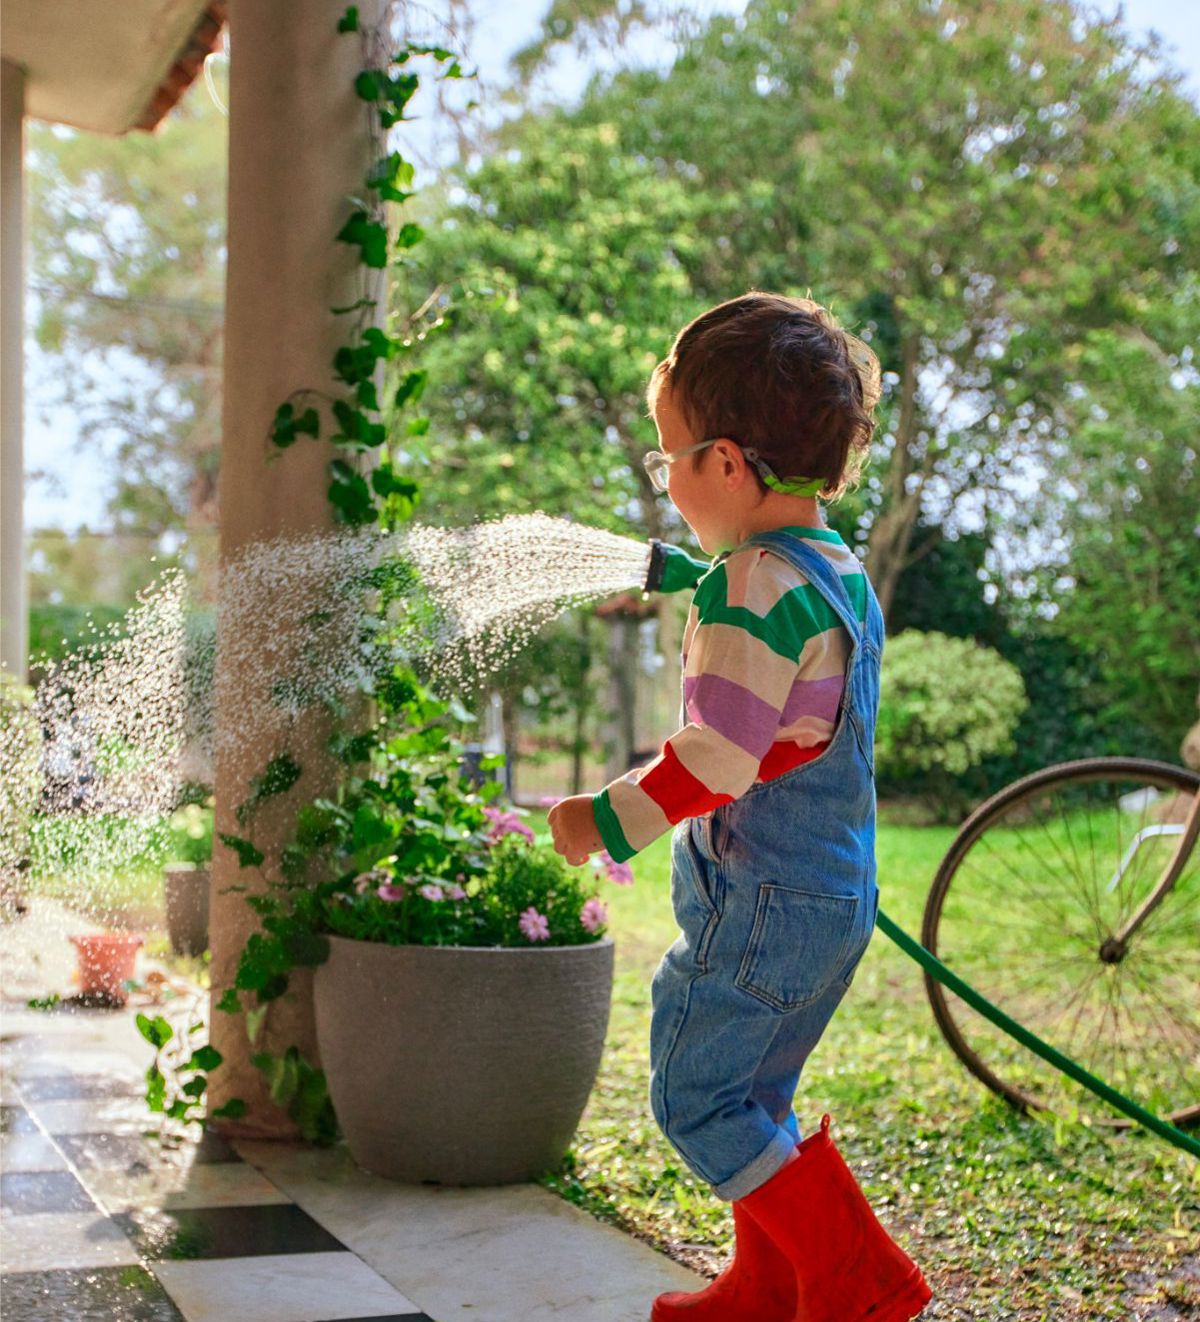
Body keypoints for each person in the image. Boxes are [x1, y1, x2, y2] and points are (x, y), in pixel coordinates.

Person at [548, 291, 932, 1321]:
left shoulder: (751, 587)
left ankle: (855, 1276)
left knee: (698, 1095)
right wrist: (695, 574)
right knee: (757, 1093)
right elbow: (774, 632)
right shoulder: (833, 569)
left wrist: (601, 820)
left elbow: (716, 761)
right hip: (829, 900)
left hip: (759, 903)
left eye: (668, 458)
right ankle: (771, 1286)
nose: (666, 482)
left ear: (725, 463)